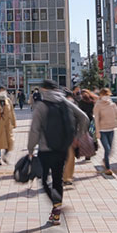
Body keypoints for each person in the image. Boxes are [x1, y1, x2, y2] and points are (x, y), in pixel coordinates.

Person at [28, 79, 88, 225]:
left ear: (44, 89)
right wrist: (77, 137)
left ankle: (56, 206)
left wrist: (30, 149)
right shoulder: (65, 102)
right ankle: (56, 213)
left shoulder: (41, 105)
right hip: (62, 148)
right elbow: (84, 118)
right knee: (57, 179)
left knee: (44, 180)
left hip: (45, 148)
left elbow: (35, 130)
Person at [94, 88, 117, 175]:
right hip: (102, 130)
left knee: (110, 150)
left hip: (111, 129)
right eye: (104, 95)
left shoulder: (112, 105)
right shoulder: (98, 105)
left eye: (107, 95)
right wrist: (97, 132)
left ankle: (104, 160)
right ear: (101, 95)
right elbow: (96, 119)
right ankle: (108, 168)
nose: (106, 97)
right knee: (107, 148)